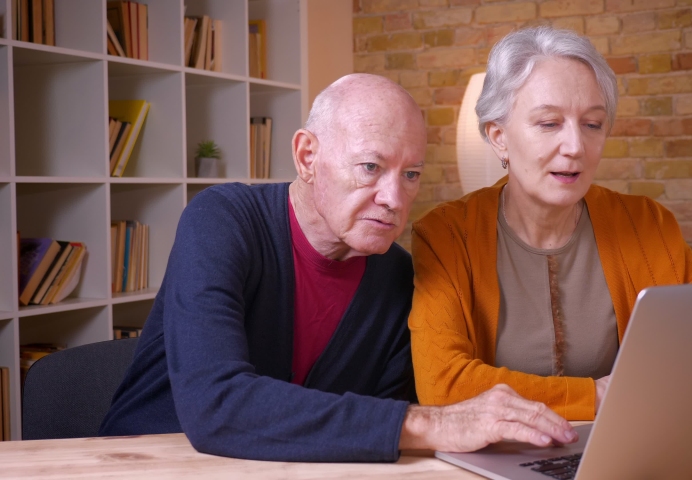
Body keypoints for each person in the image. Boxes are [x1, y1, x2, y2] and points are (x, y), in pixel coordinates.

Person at [99, 74, 578, 462]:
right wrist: (432, 422)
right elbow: (217, 406)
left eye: (410, 174)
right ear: (308, 156)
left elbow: (378, 430)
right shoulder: (222, 221)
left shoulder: (397, 280)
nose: (394, 199)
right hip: (145, 465)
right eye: (371, 167)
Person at [409, 27, 692, 421]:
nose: (575, 147)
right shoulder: (446, 235)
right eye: (549, 123)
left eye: (592, 124)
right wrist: (596, 397)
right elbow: (443, 387)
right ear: (498, 137)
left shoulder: (648, 224)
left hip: (624, 450)